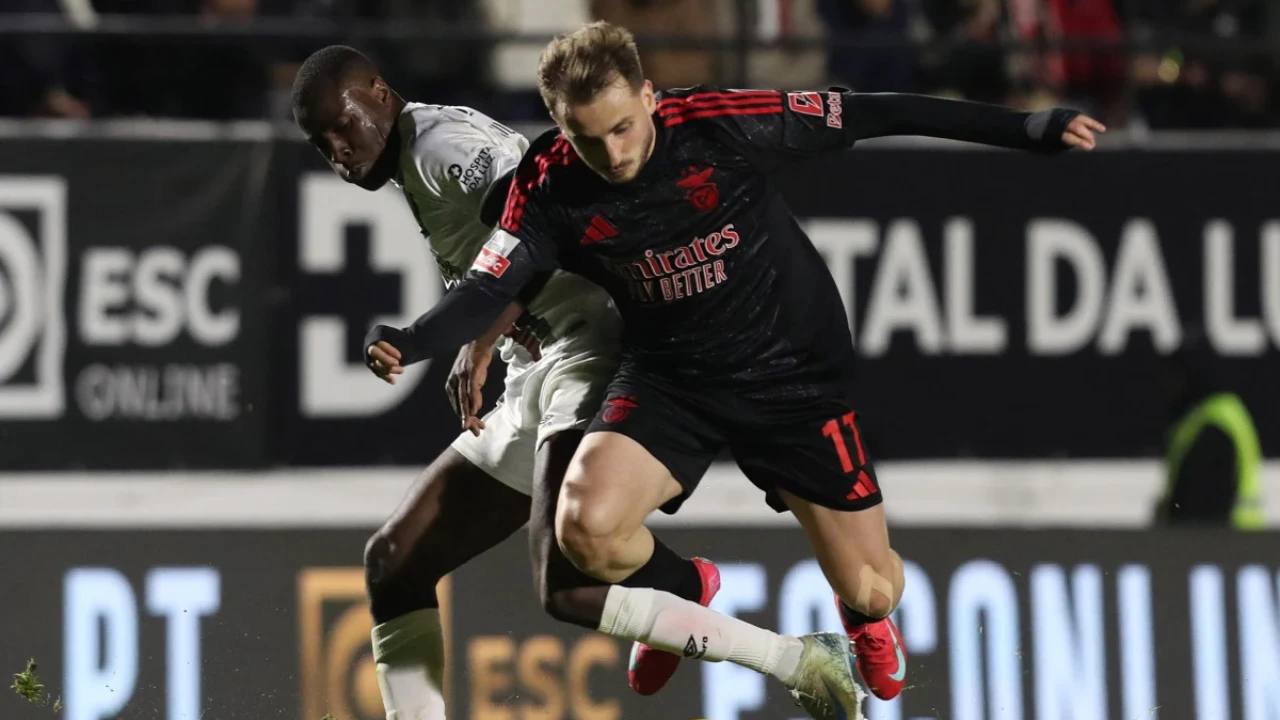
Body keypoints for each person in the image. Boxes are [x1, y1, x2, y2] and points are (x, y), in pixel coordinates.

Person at [362, 21, 1105, 716]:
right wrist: (413, 338)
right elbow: (492, 282)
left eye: (625, 126)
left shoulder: (721, 121)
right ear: (562, 130)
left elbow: (876, 112)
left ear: (650, 97)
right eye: (590, 140)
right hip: (671, 377)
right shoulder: (550, 183)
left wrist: (1027, 130)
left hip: (789, 377)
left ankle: (858, 618)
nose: (615, 154)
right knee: (584, 534)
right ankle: (686, 600)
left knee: (875, 589)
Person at [290, 45, 720, 720]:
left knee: (569, 579)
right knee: (395, 562)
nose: (340, 151)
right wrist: (488, 338)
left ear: (378, 91)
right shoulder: (416, 151)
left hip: (588, 348)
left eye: (343, 126)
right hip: (537, 368)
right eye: (323, 144)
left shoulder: (440, 149)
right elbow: (514, 242)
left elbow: (547, 227)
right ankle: (678, 590)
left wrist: (474, 335)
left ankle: (704, 599)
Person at [1153, 329, 1263, 528]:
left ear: (1191, 373)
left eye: (1176, 374)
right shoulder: (1221, 414)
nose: (1170, 384)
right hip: (1239, 548)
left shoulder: (1213, 428)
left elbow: (1201, 510)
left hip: (1223, 550)